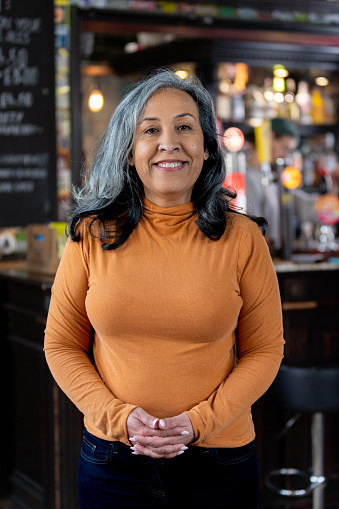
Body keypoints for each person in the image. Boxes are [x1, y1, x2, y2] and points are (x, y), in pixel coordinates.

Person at [44, 70, 285, 509]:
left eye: (185, 127)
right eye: (150, 129)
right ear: (130, 151)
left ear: (208, 148)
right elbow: (60, 345)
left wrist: (197, 423)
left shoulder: (243, 238)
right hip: (112, 460)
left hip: (220, 460)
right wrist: (120, 419)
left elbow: (265, 350)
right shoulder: (92, 234)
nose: (168, 142)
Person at [245, 117, 299, 254]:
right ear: (269, 137)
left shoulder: (274, 178)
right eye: (285, 148)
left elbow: (305, 205)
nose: (287, 156)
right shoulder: (246, 179)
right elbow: (251, 231)